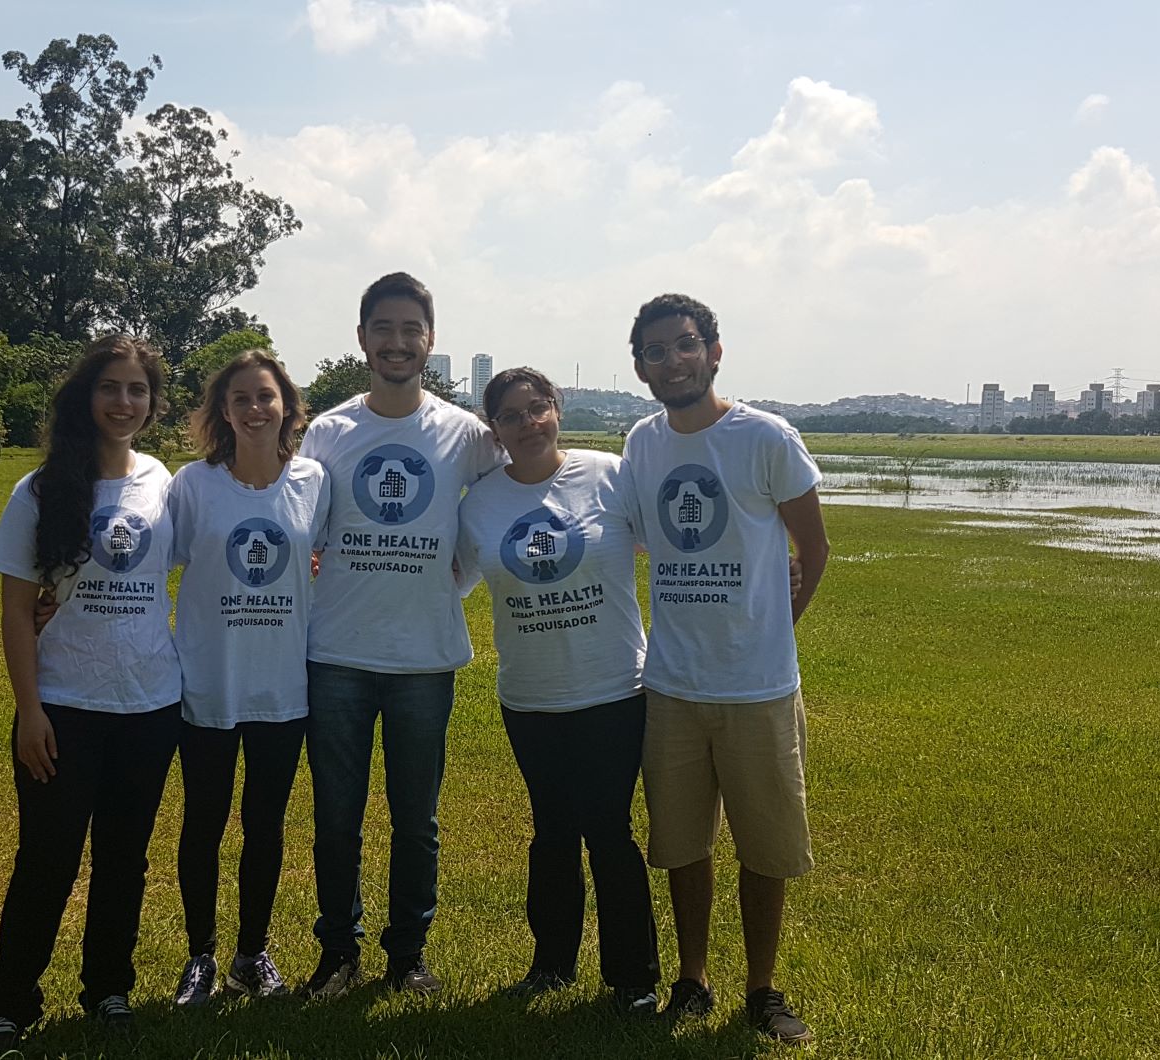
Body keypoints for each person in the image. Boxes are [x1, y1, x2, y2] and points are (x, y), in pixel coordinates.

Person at [619, 294, 830, 1044]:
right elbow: (639, 538)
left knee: (765, 846)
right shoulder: (641, 443)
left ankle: (763, 989)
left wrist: (767, 634)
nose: (670, 361)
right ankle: (692, 977)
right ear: (639, 367)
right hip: (671, 684)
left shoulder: (765, 437)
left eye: (683, 346)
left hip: (758, 689)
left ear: (713, 351)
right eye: (654, 351)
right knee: (682, 844)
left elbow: (814, 549)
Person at [295, 272, 505, 998]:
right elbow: (301, 527)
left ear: (430, 340)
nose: (396, 341)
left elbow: (509, 500)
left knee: (416, 820)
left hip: (424, 657)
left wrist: (462, 577)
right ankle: (337, 952)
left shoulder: (463, 433)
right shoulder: (328, 429)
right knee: (336, 819)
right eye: (382, 328)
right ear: (361, 339)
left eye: (410, 328)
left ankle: (407, 953)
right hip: (337, 654)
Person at [0, 335, 184, 1052]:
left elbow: (213, 550)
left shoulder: (164, 481)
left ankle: (108, 989)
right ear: (84, 397)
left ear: (153, 404)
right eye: (110, 388)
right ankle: (11, 1003)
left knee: (125, 859)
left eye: (137, 390)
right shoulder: (39, 490)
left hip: (151, 705)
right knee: (47, 858)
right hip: (63, 706)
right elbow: (14, 609)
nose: (124, 402)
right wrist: (29, 710)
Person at [454, 367, 661, 1015]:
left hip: (613, 692)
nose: (527, 424)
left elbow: (678, 550)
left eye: (537, 408)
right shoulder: (480, 504)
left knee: (607, 829)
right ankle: (551, 966)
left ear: (557, 410)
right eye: (511, 416)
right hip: (530, 698)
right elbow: (443, 581)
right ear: (495, 431)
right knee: (550, 832)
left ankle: (632, 980)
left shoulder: (611, 475)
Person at [163, 350, 330, 1005]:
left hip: (282, 687)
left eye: (266, 397)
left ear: (286, 405)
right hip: (208, 682)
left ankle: (250, 955)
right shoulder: (193, 485)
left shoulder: (314, 480)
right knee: (202, 823)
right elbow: (149, 565)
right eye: (241, 400)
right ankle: (199, 957)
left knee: (266, 826)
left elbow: (335, 558)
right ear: (222, 412)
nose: (255, 409)